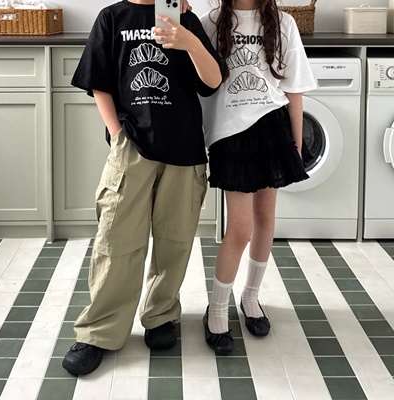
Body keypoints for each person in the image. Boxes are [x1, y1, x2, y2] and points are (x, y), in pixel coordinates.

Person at [61, 0, 222, 375]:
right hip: (131, 147)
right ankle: (99, 331)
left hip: (183, 149)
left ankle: (161, 315)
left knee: (175, 241)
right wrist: (118, 135)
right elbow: (99, 84)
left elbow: (212, 82)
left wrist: (189, 41)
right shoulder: (111, 18)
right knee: (116, 240)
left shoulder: (184, 17)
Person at [199, 0, 317, 353]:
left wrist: (296, 140)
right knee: (239, 228)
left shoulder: (283, 23)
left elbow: (293, 87)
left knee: (265, 218)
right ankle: (217, 307)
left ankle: (250, 297)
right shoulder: (210, 22)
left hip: (272, 126)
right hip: (230, 134)